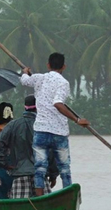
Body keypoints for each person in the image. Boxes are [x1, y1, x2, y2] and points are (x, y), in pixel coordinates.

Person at [20, 52, 90, 196]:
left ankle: (40, 197)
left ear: (48, 65)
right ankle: (67, 196)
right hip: (59, 132)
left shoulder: (39, 78)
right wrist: (77, 120)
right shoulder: (63, 83)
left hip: (41, 130)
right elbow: (58, 103)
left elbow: (25, 81)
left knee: (39, 167)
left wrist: (25, 73)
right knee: (64, 168)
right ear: (64, 66)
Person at [0, 95, 58, 198]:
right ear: (38, 108)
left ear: (25, 108)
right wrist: (53, 174)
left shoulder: (13, 125)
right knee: (44, 208)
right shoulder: (45, 126)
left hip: (20, 176)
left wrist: (4, 163)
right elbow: (51, 152)